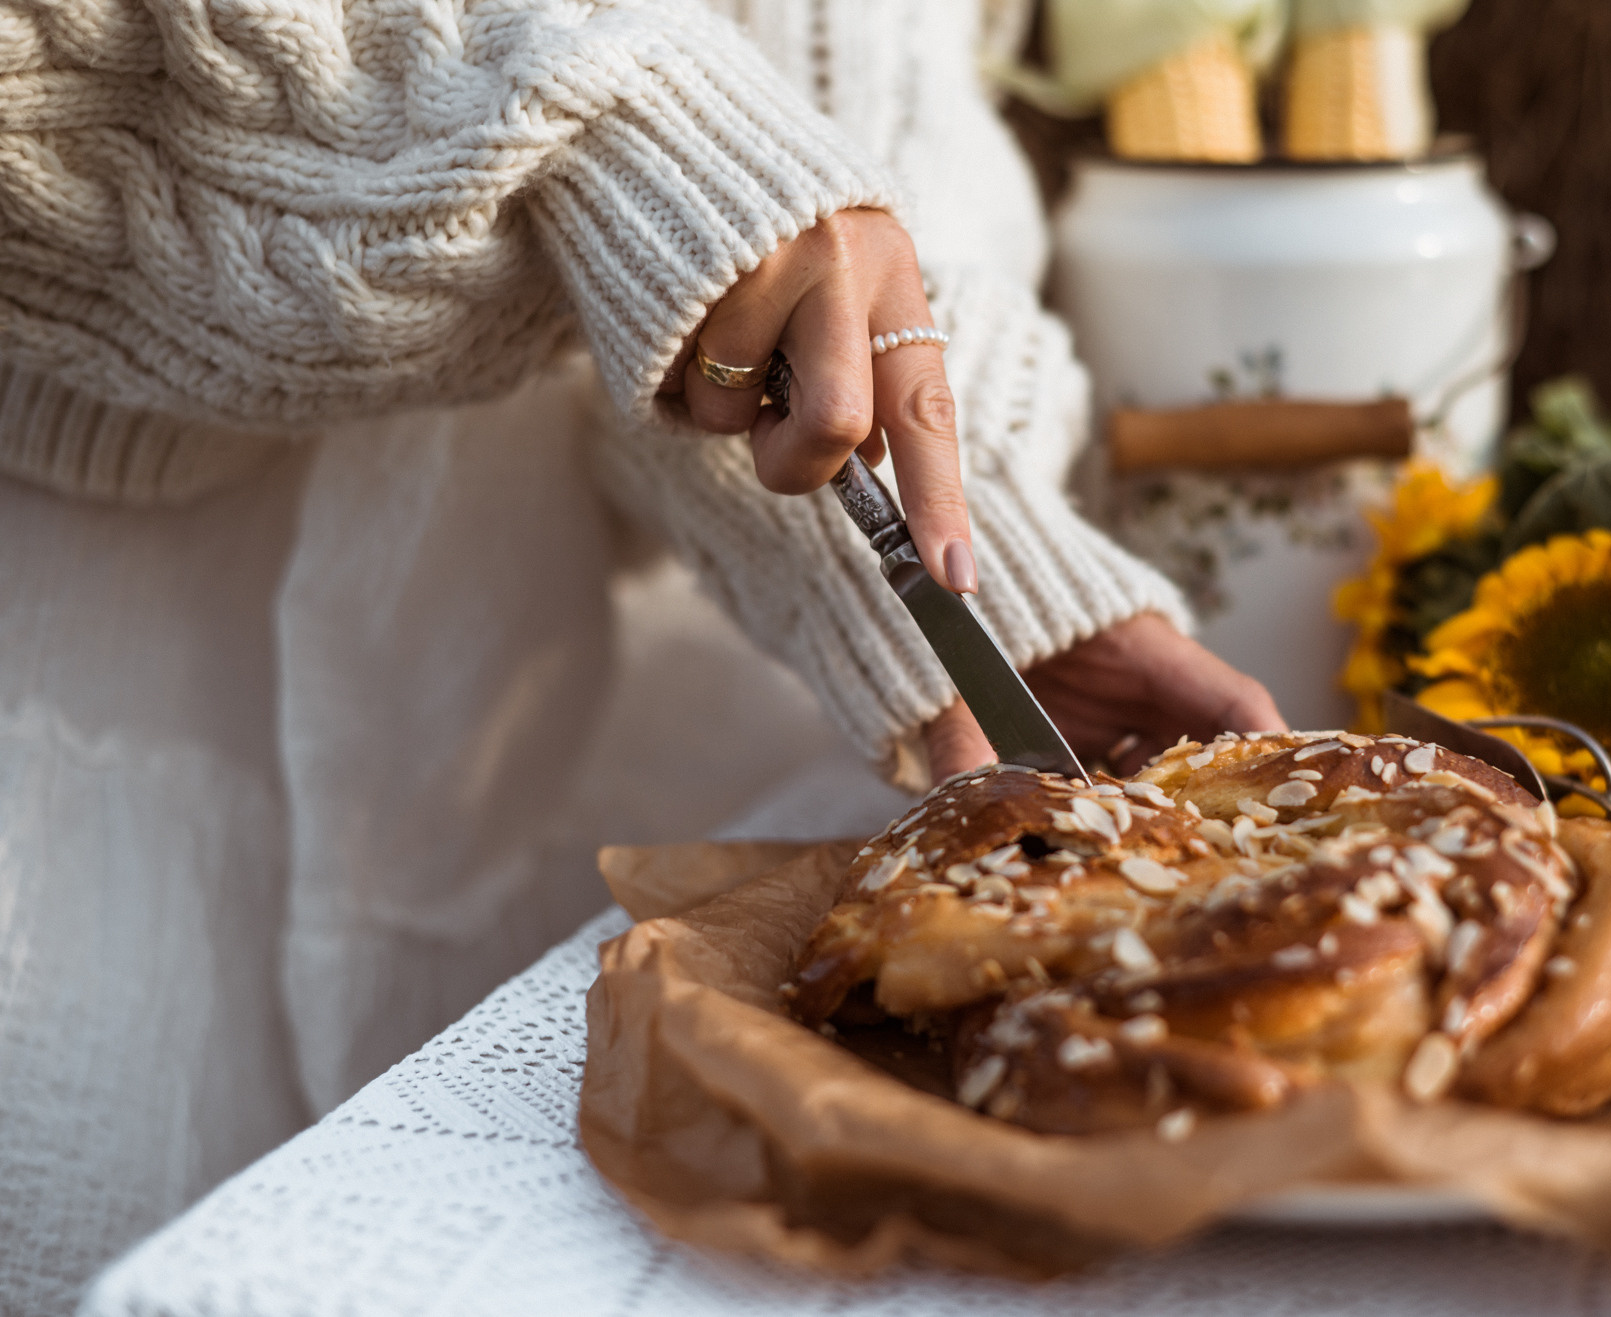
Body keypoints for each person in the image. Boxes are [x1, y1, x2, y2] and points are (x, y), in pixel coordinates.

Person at [0, 0, 1284, 1308]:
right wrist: (591, 118)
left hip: (564, 662)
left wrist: (968, 522)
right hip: (91, 677)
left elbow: (862, 62)